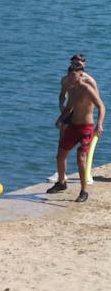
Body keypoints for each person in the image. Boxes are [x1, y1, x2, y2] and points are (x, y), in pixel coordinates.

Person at [53, 54, 105, 202]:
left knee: (80, 158)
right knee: (60, 155)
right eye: (69, 76)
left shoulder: (88, 88)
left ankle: (83, 191)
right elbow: (69, 107)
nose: (70, 79)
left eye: (73, 77)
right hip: (73, 126)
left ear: (80, 75)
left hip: (86, 128)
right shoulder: (71, 87)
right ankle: (61, 183)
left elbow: (101, 106)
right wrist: (60, 119)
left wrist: (99, 124)